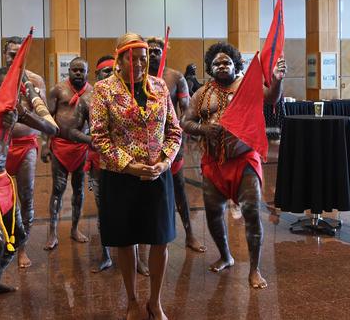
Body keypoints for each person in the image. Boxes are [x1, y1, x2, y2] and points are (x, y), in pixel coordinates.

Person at [91, 33, 182, 320]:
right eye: (133, 58)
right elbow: (100, 137)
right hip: (120, 177)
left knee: (160, 238)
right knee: (125, 239)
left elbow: (175, 130)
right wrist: (130, 165)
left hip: (157, 175)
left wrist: (165, 162)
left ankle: (154, 301)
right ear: (119, 59)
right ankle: (131, 300)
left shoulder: (159, 86)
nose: (140, 64)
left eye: (143, 58)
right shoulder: (103, 90)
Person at [181, 42, 286, 289]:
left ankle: (254, 269)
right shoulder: (202, 94)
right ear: (210, 67)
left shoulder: (246, 86)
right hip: (213, 163)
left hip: (244, 160)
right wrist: (204, 128)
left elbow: (271, 96)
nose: (221, 66)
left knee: (251, 211)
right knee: (214, 214)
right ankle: (225, 256)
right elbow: (185, 122)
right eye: (217, 63)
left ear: (236, 64)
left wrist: (277, 80)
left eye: (227, 61)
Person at [0, 67, 58, 319]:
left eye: (16, 89)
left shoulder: (17, 110)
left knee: (18, 236)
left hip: (2, 181)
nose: (11, 94)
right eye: (5, 89)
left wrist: (29, 108)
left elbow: (52, 129)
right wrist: (3, 114)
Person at [0, 36, 48, 268]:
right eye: (10, 54)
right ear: (4, 54)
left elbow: (42, 114)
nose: (14, 58)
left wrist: (45, 141)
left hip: (26, 144)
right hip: (0, 143)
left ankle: (22, 248)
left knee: (26, 195)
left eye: (19, 54)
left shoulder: (35, 79)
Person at [147, 37, 206, 253]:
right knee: (145, 191)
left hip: (170, 142)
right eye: (150, 51)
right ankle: (147, 237)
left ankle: (189, 234)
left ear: (164, 53)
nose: (153, 54)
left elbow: (186, 110)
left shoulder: (175, 77)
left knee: (179, 188)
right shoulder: (137, 77)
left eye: (157, 51)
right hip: (142, 145)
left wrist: (184, 132)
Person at [69, 55, 115, 272]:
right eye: (106, 72)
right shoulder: (87, 100)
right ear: (97, 76)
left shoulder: (128, 97)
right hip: (99, 165)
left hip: (126, 165)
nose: (111, 75)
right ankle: (106, 255)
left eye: (115, 70)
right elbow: (73, 130)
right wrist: (91, 140)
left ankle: (136, 258)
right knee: (105, 211)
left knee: (130, 210)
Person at [41, 57, 92, 250]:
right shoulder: (58, 89)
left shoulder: (92, 93)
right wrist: (45, 144)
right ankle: (53, 232)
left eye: (82, 70)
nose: (78, 73)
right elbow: (47, 118)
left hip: (80, 148)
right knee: (58, 189)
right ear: (68, 71)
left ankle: (75, 228)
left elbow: (95, 123)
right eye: (74, 70)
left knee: (78, 190)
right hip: (60, 145)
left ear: (87, 72)